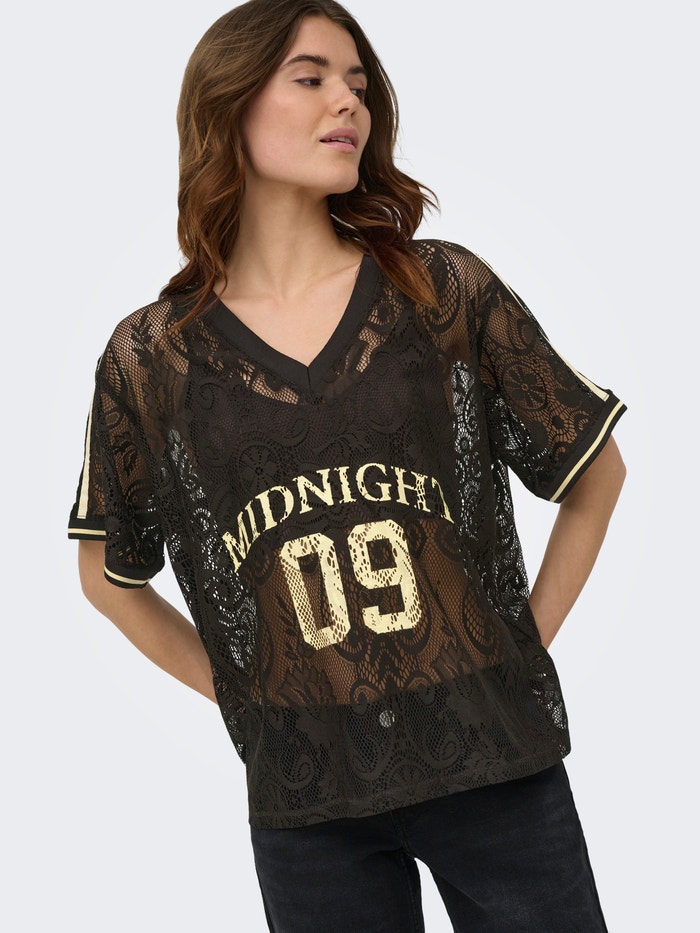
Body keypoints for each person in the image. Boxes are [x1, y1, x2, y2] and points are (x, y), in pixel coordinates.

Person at [68, 1, 626, 929]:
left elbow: (595, 472)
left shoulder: (440, 290)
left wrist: (518, 644)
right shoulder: (151, 356)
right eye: (313, 77)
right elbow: (106, 574)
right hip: (308, 797)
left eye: (359, 85)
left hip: (495, 762)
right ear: (230, 105)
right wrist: (246, 693)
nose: (348, 104)